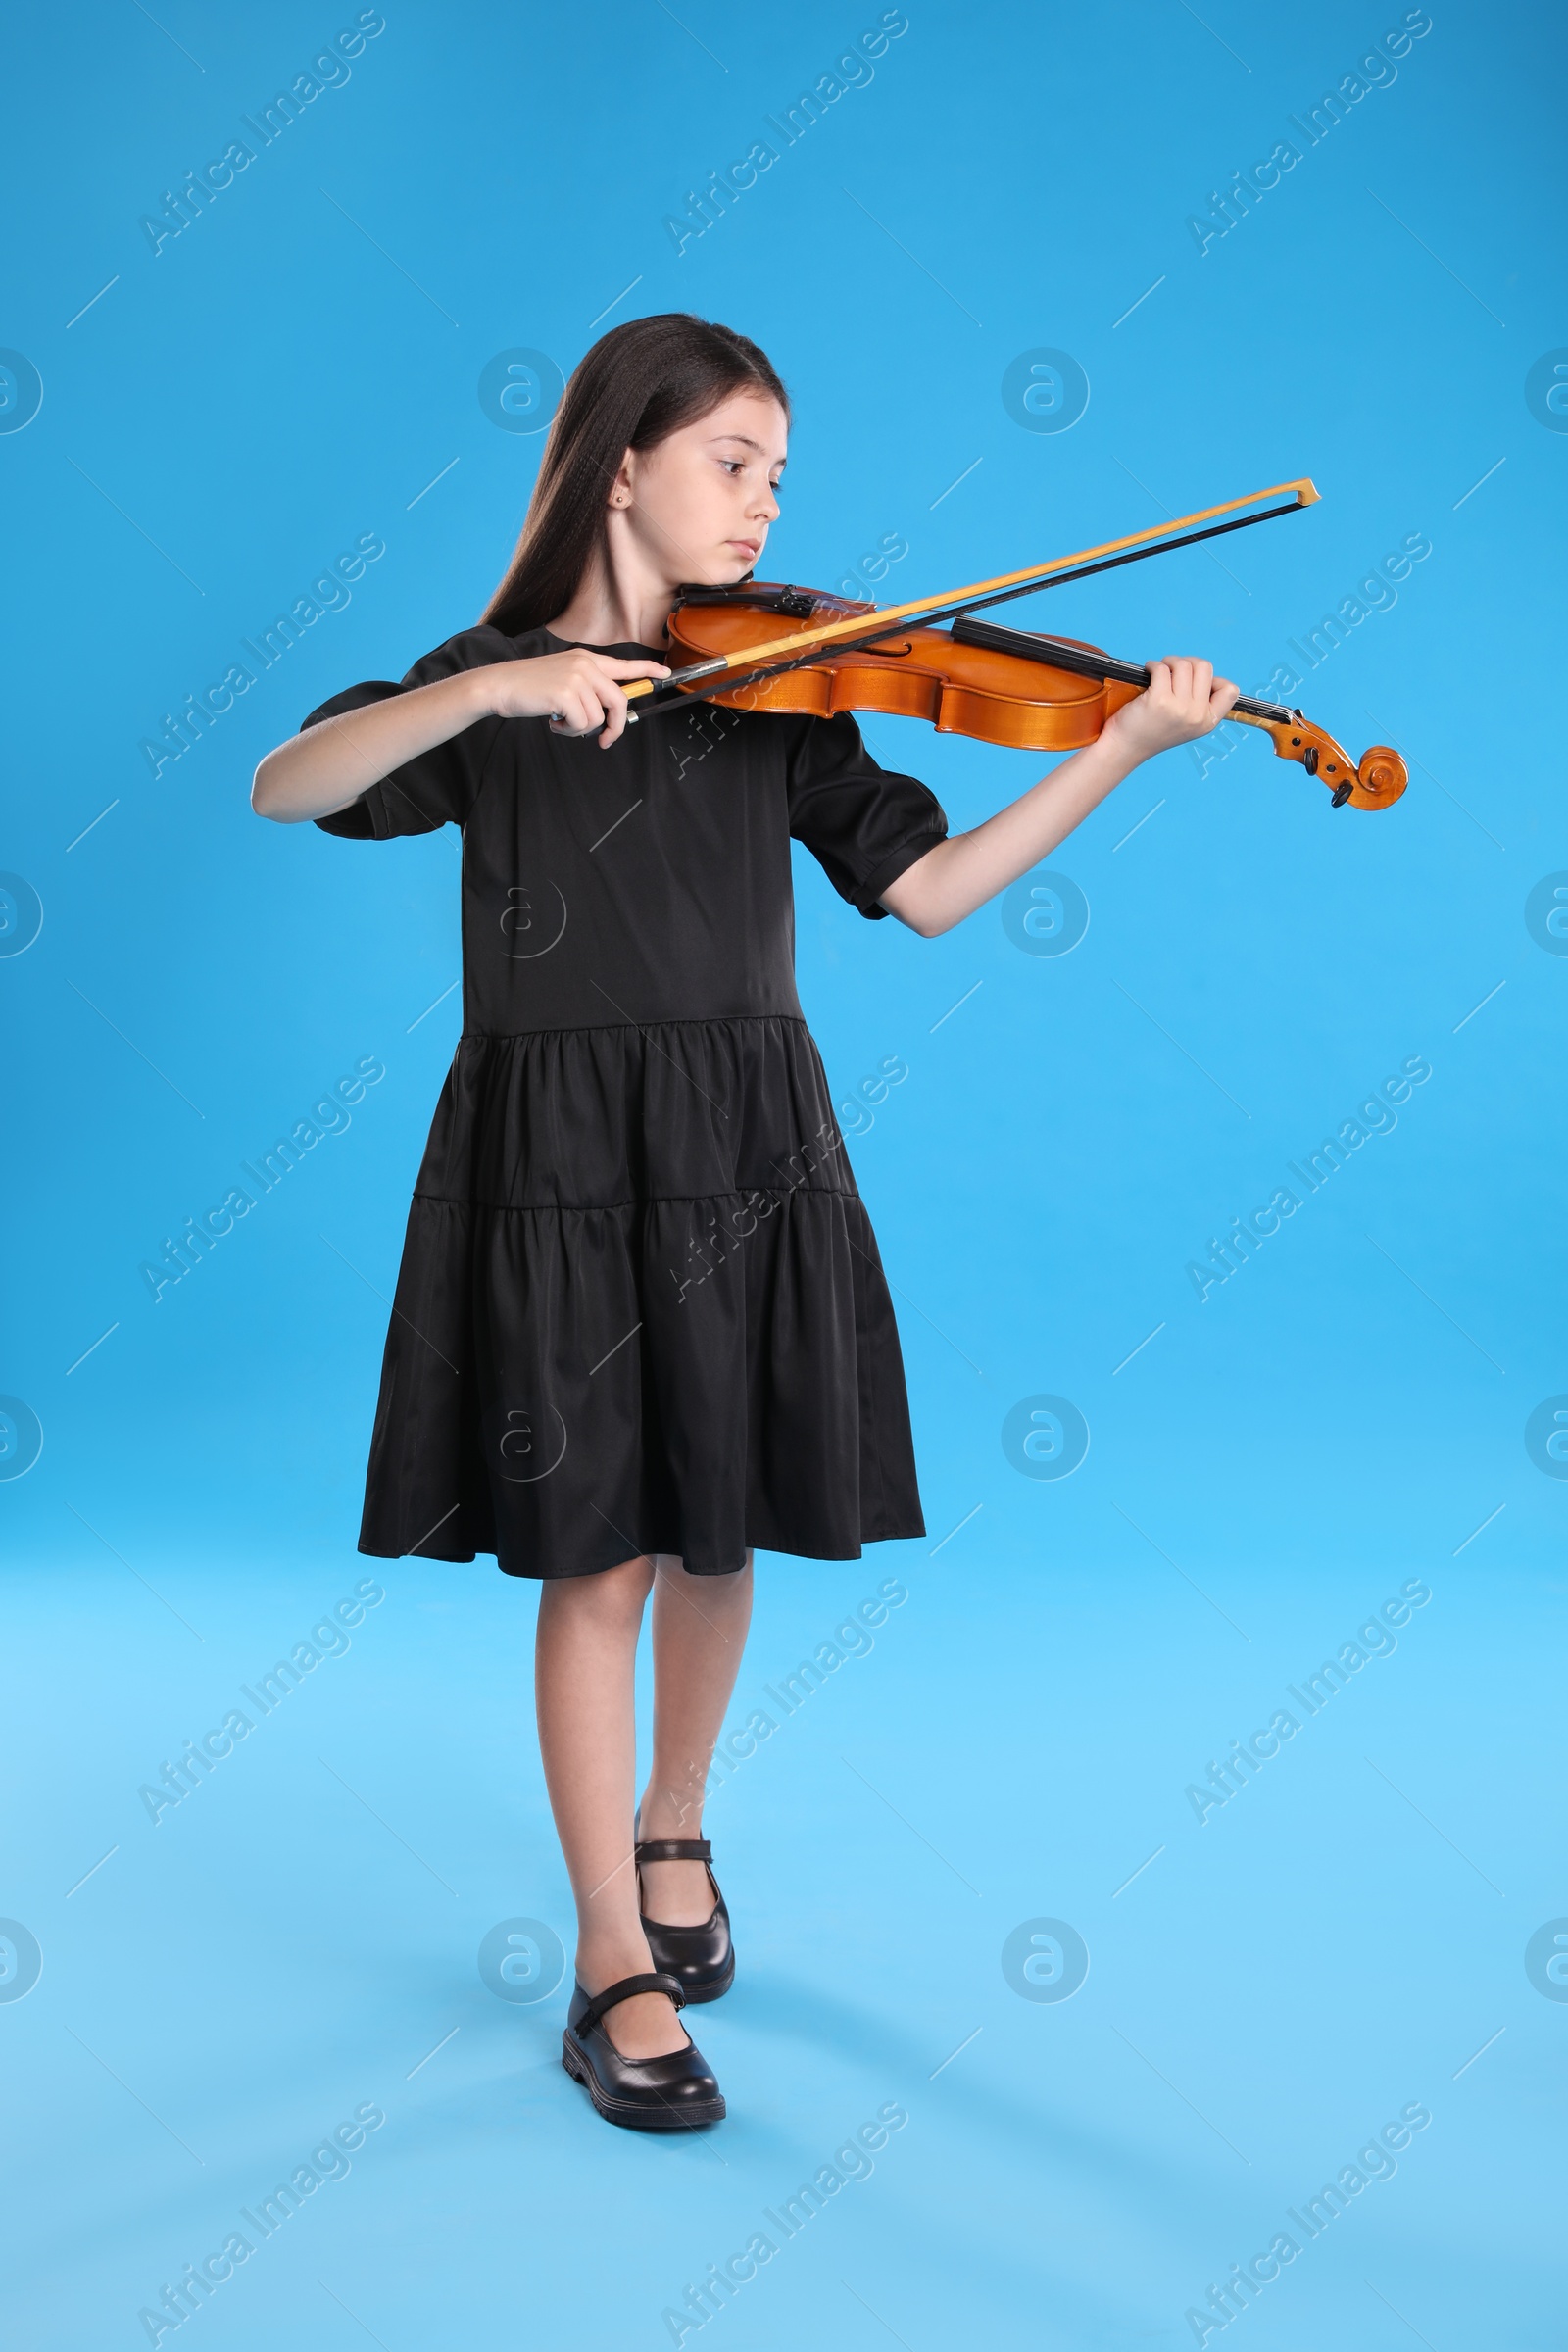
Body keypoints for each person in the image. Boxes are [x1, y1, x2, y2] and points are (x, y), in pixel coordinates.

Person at [251, 312, 1237, 2132]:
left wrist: (1122, 751)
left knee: (722, 1526)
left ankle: (678, 1822)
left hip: (744, 1137)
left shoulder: (785, 691)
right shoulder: (482, 691)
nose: (765, 506)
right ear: (621, 462)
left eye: (779, 474)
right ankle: (611, 1958)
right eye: (732, 463)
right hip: (557, 1155)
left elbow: (932, 894)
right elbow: (285, 785)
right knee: (595, 1558)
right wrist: (488, 692)